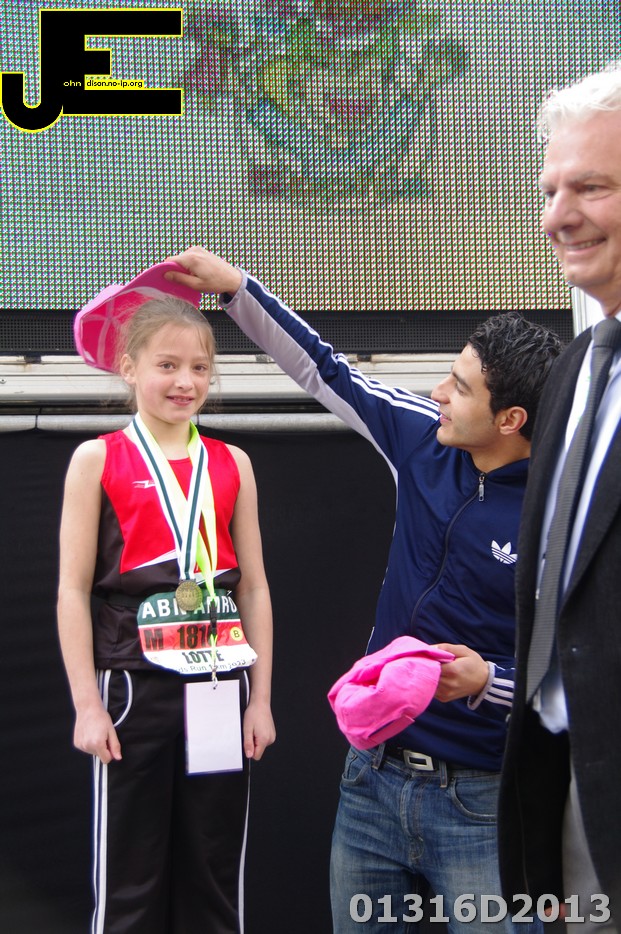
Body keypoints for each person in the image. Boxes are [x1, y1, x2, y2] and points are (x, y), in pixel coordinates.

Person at [164, 247, 561, 933]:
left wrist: (486, 683)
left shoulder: (562, 511)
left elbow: (576, 673)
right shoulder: (423, 439)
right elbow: (325, 369)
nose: (438, 392)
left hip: (485, 803)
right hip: (371, 780)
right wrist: (235, 289)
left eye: (460, 387)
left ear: (510, 420)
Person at [57, 285, 275, 934]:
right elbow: (72, 590)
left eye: (200, 367)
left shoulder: (232, 463)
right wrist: (87, 705)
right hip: (133, 686)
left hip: (220, 685)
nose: (186, 382)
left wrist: (260, 699)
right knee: (130, 879)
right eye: (168, 365)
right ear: (129, 367)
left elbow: (254, 588)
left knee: (213, 874)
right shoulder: (97, 459)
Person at [493, 64, 621, 931]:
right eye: (550, 190)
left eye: (591, 188)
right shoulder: (576, 366)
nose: (556, 217)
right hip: (567, 790)